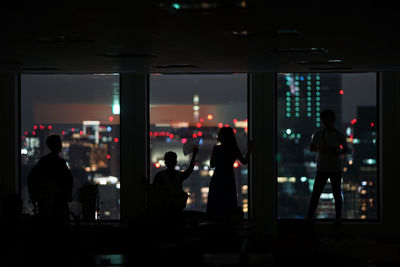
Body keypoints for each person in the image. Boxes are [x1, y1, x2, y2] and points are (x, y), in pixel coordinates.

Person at [306, 109, 348, 222]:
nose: (325, 121)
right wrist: (336, 151)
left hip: (326, 168)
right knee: (335, 195)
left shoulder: (319, 134)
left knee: (317, 194)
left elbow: (312, 147)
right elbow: (345, 149)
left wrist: (321, 148)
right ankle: (338, 218)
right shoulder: (338, 135)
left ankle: (310, 217)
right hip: (331, 168)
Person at [207, 127, 253, 221]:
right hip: (229, 177)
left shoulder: (216, 148)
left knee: (216, 201)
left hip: (218, 177)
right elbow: (244, 161)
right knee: (228, 201)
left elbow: (212, 164)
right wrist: (249, 150)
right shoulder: (234, 149)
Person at [28, 135, 73, 225]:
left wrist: (35, 195)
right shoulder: (60, 163)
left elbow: (31, 178)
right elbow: (68, 180)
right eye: (59, 143)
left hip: (45, 203)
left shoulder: (43, 161)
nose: (61, 145)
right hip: (59, 203)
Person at [152, 148, 199, 217]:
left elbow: (154, 191)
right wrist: (194, 155)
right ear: (175, 162)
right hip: (177, 209)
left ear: (165, 162)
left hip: (163, 210)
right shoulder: (179, 175)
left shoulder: (159, 176)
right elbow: (189, 170)